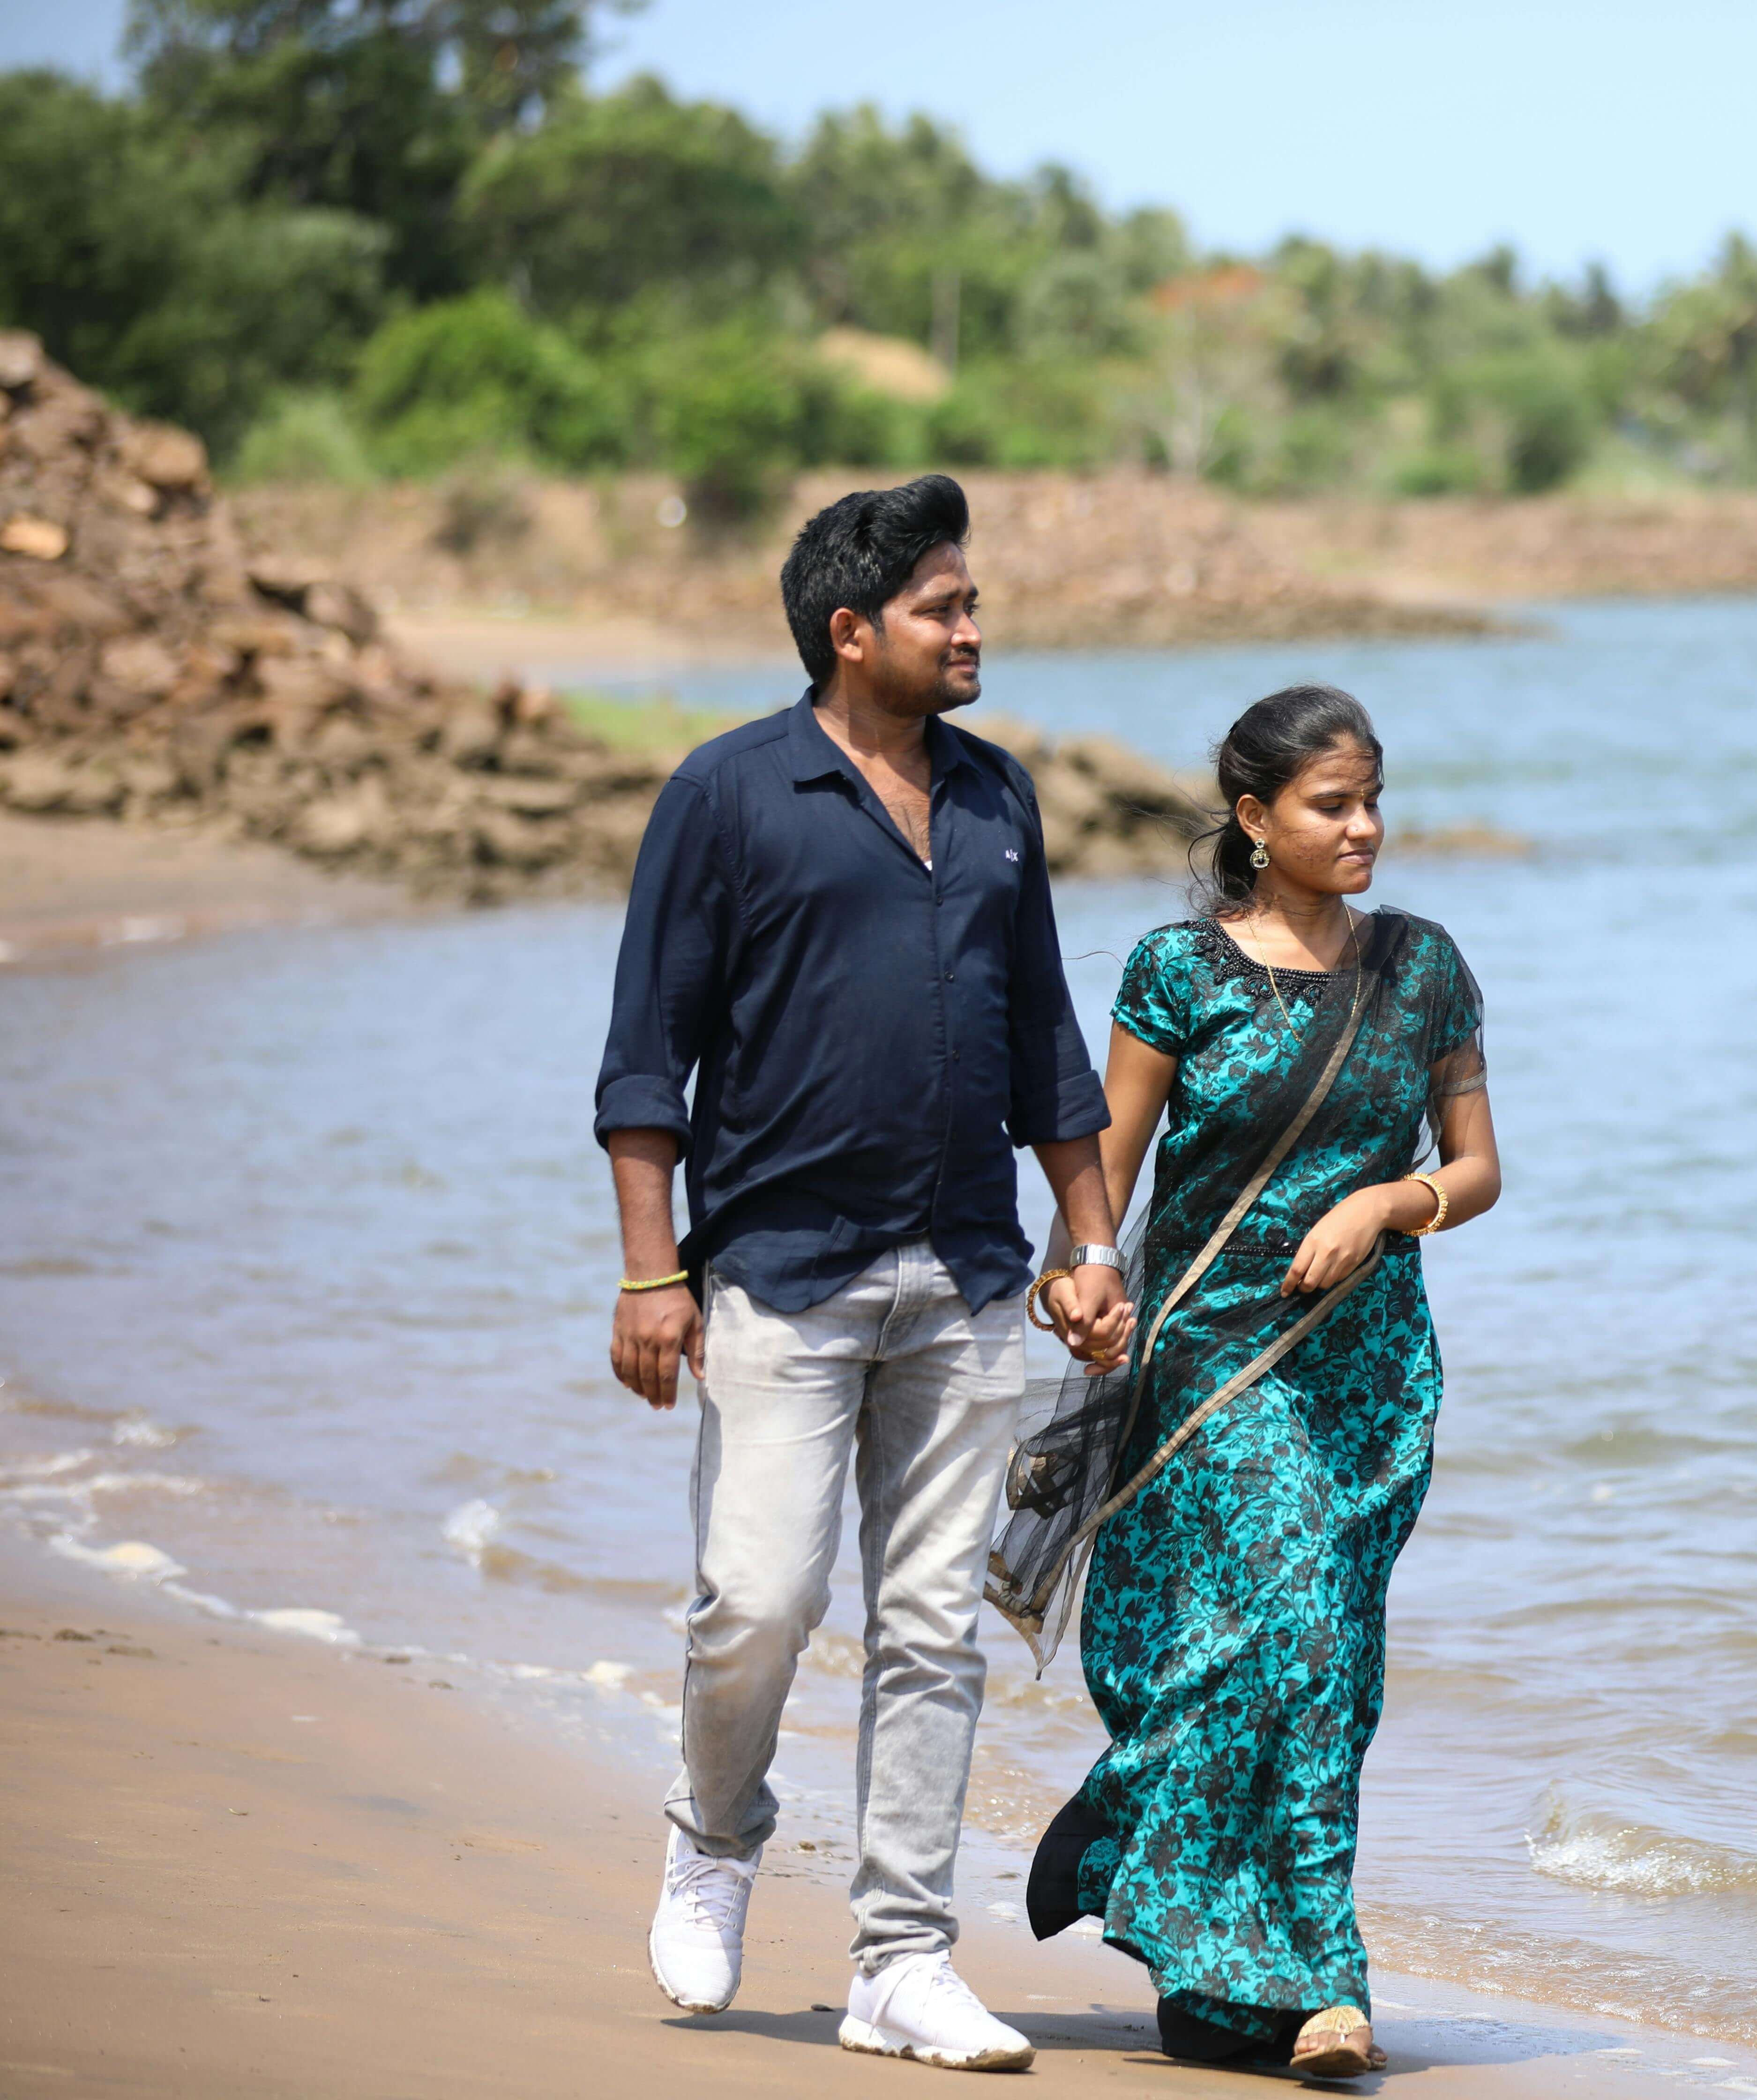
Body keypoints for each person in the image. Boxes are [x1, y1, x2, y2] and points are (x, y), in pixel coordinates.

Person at [593, 474, 1131, 2072]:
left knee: (933, 1629)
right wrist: (649, 1275)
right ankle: (715, 1826)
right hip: (778, 1271)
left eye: (970, 602)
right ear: (852, 631)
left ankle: (901, 1958)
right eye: (943, 607)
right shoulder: (727, 794)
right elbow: (647, 1057)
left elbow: (1046, 1036)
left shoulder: (995, 799)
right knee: (755, 1602)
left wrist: (1089, 1242)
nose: (975, 627)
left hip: (967, 1276)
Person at [999, 683, 1501, 2083]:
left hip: (1376, 1367)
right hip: (1217, 1350)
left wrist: (1395, 1203)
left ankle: (1211, 1959)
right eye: (1331, 807)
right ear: (1254, 819)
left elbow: (1479, 1168)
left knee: (1329, 1663)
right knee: (1288, 1618)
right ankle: (1330, 1983)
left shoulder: (1425, 968)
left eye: (1373, 801)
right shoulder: (1182, 970)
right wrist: (1077, 1275)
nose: (1365, 829)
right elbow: (1097, 1164)